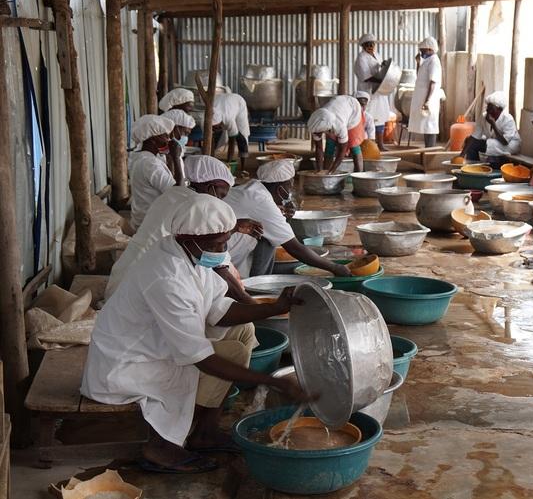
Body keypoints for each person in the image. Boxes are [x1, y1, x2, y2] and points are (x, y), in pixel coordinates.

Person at [82, 195, 307, 474]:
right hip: (126, 364)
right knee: (231, 355)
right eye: (217, 244)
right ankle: (162, 445)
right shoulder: (167, 278)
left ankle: (205, 432)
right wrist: (273, 382)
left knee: (243, 332)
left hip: (153, 345)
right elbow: (200, 358)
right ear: (190, 239)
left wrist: (275, 308)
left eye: (225, 241)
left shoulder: (186, 252)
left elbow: (220, 310)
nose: (223, 250)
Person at [106, 155, 263, 300]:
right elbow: (220, 267)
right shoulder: (198, 207)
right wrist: (254, 306)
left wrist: (234, 226)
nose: (221, 201)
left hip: (123, 275)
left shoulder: (175, 193)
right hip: (141, 288)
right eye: (221, 195)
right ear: (210, 189)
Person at [225, 160, 352, 278]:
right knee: (268, 236)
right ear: (280, 189)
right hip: (225, 252)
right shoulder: (261, 201)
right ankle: (258, 282)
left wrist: (282, 216)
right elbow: (294, 248)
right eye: (290, 186)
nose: (291, 191)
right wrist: (335, 267)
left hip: (222, 242)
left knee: (269, 231)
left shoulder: (253, 188)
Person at [128, 115, 183, 231]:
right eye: (165, 136)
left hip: (142, 219)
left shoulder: (140, 157)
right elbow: (179, 192)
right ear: (153, 139)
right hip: (152, 226)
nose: (169, 140)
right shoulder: (150, 164)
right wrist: (176, 158)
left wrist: (170, 158)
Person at [459, 91, 520, 169]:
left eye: (491, 108)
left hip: (510, 145)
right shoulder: (483, 117)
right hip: (494, 142)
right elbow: (475, 136)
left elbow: (505, 141)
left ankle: (483, 167)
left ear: (500, 109)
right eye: (488, 107)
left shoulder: (508, 119)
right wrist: (462, 155)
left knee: (489, 143)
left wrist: (493, 124)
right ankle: (473, 167)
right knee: (470, 142)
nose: (488, 110)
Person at [307, 95, 365, 174]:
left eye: (319, 133)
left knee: (353, 145)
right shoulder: (317, 123)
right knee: (330, 145)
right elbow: (319, 148)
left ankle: (359, 175)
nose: (318, 135)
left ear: (326, 129)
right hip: (337, 108)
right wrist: (319, 171)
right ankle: (325, 170)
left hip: (353, 110)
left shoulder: (339, 125)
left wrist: (332, 170)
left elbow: (342, 150)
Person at [353, 33, 391, 151]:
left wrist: (384, 67)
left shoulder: (377, 55)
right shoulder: (361, 58)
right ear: (363, 46)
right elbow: (366, 77)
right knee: (368, 118)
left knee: (380, 117)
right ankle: (366, 145)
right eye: (368, 44)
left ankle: (380, 144)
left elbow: (379, 70)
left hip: (379, 92)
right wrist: (382, 75)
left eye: (372, 44)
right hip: (368, 92)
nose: (371, 46)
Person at [408, 36, 442, 148]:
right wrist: (418, 63)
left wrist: (427, 101)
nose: (421, 53)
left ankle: (430, 151)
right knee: (426, 126)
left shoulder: (434, 62)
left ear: (429, 49)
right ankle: (427, 149)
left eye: (422, 51)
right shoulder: (427, 61)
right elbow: (419, 76)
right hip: (424, 97)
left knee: (430, 126)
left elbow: (433, 82)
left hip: (429, 98)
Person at [213, 92, 251, 175]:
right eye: (214, 127)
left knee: (241, 136)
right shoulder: (207, 118)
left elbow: (232, 142)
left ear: (221, 122)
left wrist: (228, 163)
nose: (216, 129)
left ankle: (243, 169)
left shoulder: (228, 119)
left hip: (238, 103)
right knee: (214, 137)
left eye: (218, 127)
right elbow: (209, 140)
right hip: (221, 100)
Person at [161, 109, 197, 186]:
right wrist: (175, 158)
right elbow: (177, 187)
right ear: (174, 129)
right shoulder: (165, 156)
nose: (186, 138)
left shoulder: (175, 153)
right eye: (185, 133)